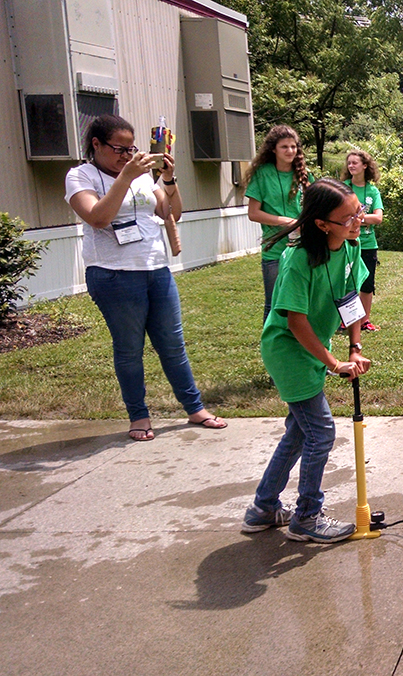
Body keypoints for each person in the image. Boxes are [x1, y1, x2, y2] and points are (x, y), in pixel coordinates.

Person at [65, 114, 227, 441]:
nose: (127, 155)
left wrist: (168, 179)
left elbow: (170, 213)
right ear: (96, 144)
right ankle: (138, 416)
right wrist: (126, 176)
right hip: (114, 274)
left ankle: (194, 408)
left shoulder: (141, 175)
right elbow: (98, 218)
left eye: (131, 149)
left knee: (173, 344)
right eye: (119, 149)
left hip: (156, 269)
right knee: (129, 349)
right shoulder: (81, 176)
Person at [242, 179, 371, 543]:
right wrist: (334, 363)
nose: (358, 221)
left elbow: (351, 300)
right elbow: (295, 322)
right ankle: (307, 516)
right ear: (322, 224)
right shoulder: (298, 260)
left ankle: (263, 508)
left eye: (359, 211)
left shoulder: (350, 247)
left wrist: (355, 347)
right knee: (321, 432)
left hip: (313, 347)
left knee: (300, 432)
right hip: (289, 351)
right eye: (349, 217)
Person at [245, 125, 312, 324]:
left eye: (293, 146)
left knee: (301, 302)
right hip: (274, 249)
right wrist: (287, 222)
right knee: (273, 303)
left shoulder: (303, 174)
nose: (290, 151)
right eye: (284, 147)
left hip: (301, 248)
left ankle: (298, 339)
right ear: (273, 149)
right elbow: (253, 213)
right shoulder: (262, 174)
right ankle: (271, 340)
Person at [342, 150, 384, 331]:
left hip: (368, 244)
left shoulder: (373, 191)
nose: (351, 166)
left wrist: (356, 218)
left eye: (355, 163)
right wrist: (365, 218)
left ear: (365, 166)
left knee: (367, 284)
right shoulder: (342, 188)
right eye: (349, 163)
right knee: (345, 282)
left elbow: (379, 217)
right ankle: (345, 320)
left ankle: (364, 320)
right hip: (344, 243)